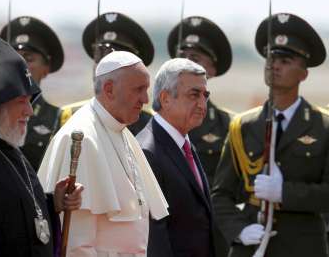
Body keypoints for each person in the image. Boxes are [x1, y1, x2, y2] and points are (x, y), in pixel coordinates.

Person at [211, 13, 329, 256]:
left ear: (303, 73)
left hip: (303, 247)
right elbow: (220, 195)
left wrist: (284, 193)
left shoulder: (323, 126)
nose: (274, 65)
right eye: (271, 58)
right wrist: (239, 230)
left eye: (285, 60)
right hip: (252, 247)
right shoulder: (242, 125)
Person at [38, 51, 169, 257]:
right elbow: (76, 245)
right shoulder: (83, 139)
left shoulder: (120, 130)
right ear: (109, 89)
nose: (145, 99)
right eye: (138, 90)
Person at [0, 36, 83, 257]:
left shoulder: (9, 145)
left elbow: (16, 214)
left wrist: (53, 203)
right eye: (22, 101)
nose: (30, 111)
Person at [167, 15, 234, 257]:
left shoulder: (230, 126)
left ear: (212, 70)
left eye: (194, 59)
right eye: (180, 56)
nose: (184, 63)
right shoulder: (146, 122)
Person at [137, 58, 215, 257]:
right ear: (165, 99)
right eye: (194, 95)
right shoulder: (149, 151)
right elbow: (153, 236)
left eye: (205, 95)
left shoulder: (183, 143)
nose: (202, 104)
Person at [62, 12, 155, 136]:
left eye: (117, 60)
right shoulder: (68, 117)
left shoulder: (151, 125)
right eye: (99, 55)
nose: (103, 68)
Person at [0, 16, 69, 172]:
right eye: (13, 58)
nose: (19, 66)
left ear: (46, 69)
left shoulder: (59, 119)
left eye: (28, 59)